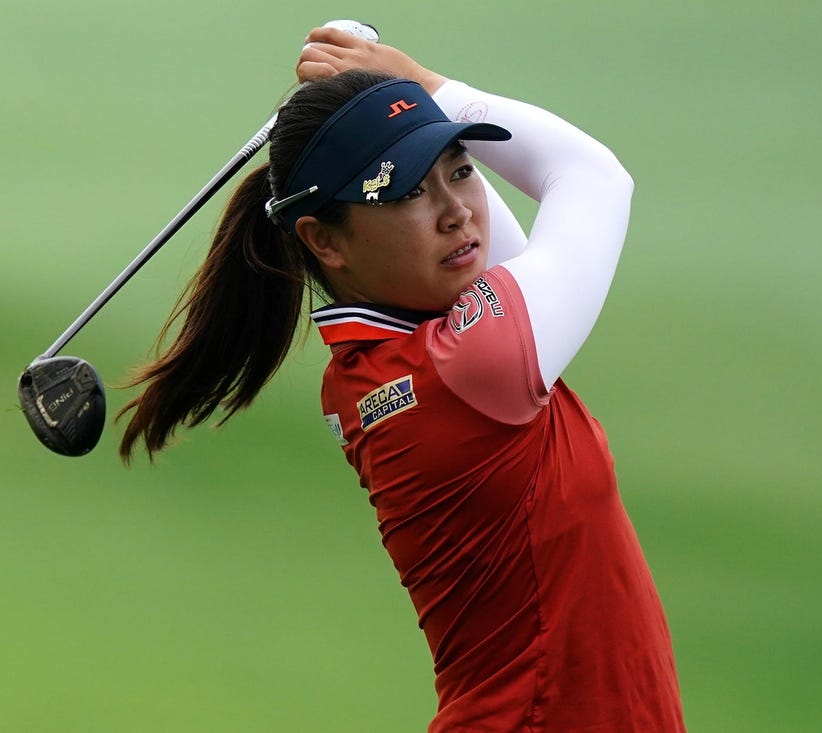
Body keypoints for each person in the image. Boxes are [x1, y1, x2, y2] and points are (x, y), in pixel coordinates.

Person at [119, 24, 686, 732]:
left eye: (459, 168)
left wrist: (396, 93)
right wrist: (426, 82)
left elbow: (486, 249)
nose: (456, 211)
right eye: (405, 192)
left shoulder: (379, 365)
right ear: (325, 240)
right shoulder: (473, 366)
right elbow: (596, 177)